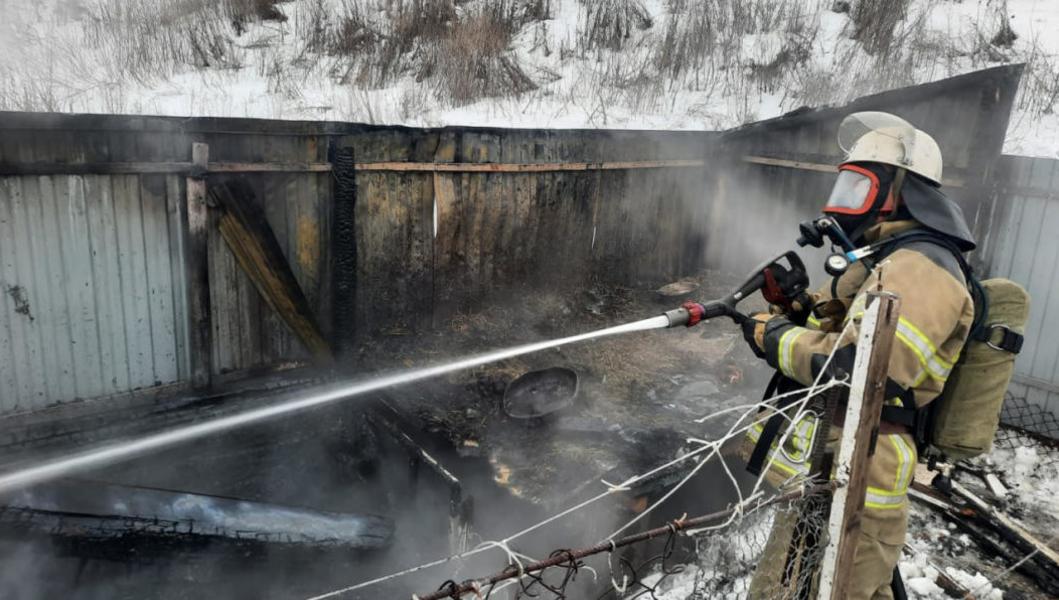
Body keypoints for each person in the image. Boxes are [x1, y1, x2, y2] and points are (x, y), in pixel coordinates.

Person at [741, 112, 976, 600]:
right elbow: (838, 329)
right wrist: (795, 308)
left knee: (842, 589)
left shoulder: (921, 268)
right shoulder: (883, 259)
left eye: (860, 186)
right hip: (835, 464)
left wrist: (775, 340)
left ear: (901, 190)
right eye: (844, 185)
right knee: (798, 585)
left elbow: (859, 371)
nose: (845, 202)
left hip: (865, 475)